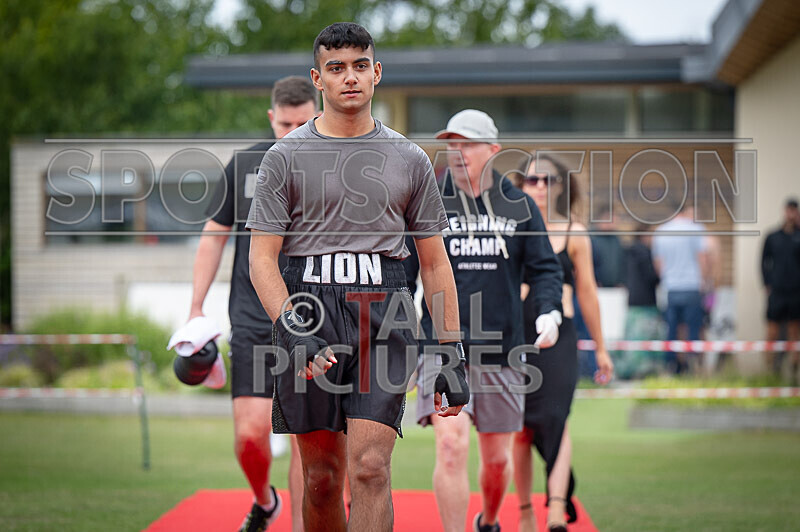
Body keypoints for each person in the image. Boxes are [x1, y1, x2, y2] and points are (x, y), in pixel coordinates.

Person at [246, 23, 469, 532]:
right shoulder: (284, 158)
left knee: (370, 469)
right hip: (310, 311)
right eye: (337, 68)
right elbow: (261, 259)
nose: (350, 78)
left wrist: (451, 354)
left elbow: (435, 264)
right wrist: (292, 327)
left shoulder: (410, 159)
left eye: (360, 66)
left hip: (384, 312)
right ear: (318, 79)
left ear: (377, 73)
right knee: (322, 476)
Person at [404, 109, 564, 532]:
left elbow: (546, 268)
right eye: (451, 144)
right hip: (441, 348)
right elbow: (401, 272)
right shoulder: (427, 200)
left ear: (492, 150)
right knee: (451, 446)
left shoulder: (519, 205)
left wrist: (550, 310)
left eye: (468, 144)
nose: (458, 153)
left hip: (502, 349)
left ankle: (489, 520)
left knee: (496, 461)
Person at [187, 76, 318, 532]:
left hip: (315, 316)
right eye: (285, 124)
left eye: (304, 123)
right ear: (271, 118)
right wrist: (195, 308)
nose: (294, 132)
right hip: (251, 315)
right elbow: (213, 237)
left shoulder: (341, 165)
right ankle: (265, 502)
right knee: (250, 433)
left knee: (309, 441)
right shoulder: (244, 166)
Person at [512, 153, 613, 532]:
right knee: (519, 427)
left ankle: (556, 506)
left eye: (547, 180)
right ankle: (524, 511)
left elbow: (587, 291)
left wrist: (601, 348)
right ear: (520, 185)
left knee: (557, 417)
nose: (539, 186)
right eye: (532, 180)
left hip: (559, 338)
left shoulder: (574, 232)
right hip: (515, 336)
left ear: (560, 187)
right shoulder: (508, 229)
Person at [652, 203, 710, 374]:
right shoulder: (696, 229)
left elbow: (658, 263)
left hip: (671, 287)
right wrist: (704, 281)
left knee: (672, 328)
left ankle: (673, 366)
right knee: (693, 328)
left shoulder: (661, 231)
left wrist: (667, 278)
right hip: (692, 286)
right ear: (685, 212)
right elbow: (702, 258)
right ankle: (692, 366)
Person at [761, 198, 800, 382]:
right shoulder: (773, 236)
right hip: (777, 291)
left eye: (794, 211)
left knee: (794, 331)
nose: (790, 214)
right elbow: (763, 261)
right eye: (788, 210)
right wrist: (766, 283)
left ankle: (794, 370)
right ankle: (770, 370)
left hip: (795, 292)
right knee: (772, 331)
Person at [619, 225, 662, 379]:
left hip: (632, 300)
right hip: (645, 302)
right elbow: (652, 277)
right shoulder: (645, 253)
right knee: (644, 340)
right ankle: (640, 371)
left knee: (633, 340)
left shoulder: (628, 253)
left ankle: (630, 370)